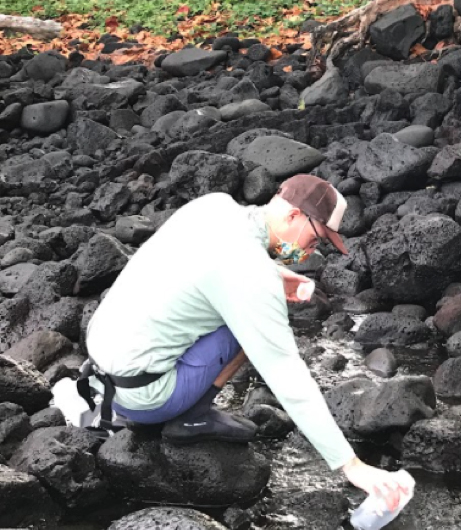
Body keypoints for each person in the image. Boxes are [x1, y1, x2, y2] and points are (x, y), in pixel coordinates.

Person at [83, 174, 408, 510]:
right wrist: (350, 465)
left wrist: (277, 278)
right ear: (294, 215)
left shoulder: (214, 206)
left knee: (239, 312)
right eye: (315, 239)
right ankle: (191, 416)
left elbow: (205, 263)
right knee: (249, 327)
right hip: (143, 399)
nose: (311, 251)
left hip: (99, 375)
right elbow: (286, 374)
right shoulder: (251, 274)